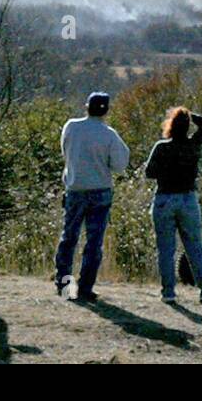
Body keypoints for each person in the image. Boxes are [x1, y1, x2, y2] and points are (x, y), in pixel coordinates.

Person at [54, 91, 130, 302]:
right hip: (100, 191)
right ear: (106, 111)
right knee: (94, 243)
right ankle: (86, 287)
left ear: (87, 107)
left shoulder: (71, 127)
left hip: (75, 188)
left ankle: (64, 284)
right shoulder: (109, 134)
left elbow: (65, 152)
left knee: (69, 238)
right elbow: (120, 165)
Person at [145, 106, 202, 306]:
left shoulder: (162, 147)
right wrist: (189, 114)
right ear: (187, 127)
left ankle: (168, 292)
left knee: (166, 250)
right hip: (188, 199)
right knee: (195, 247)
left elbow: (149, 172)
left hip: (164, 199)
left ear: (170, 126)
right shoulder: (193, 145)